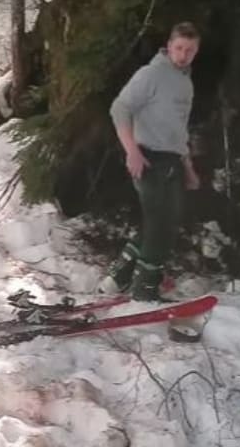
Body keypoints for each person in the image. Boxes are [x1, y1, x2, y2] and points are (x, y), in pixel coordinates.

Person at [98, 22, 201, 301]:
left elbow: (179, 129)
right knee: (160, 224)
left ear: (196, 51)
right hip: (147, 157)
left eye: (189, 50)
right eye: (179, 48)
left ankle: (118, 277)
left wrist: (188, 166)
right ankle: (145, 289)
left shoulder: (185, 82)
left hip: (173, 161)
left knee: (163, 222)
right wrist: (131, 150)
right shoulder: (152, 74)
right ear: (169, 46)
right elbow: (120, 107)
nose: (183, 55)